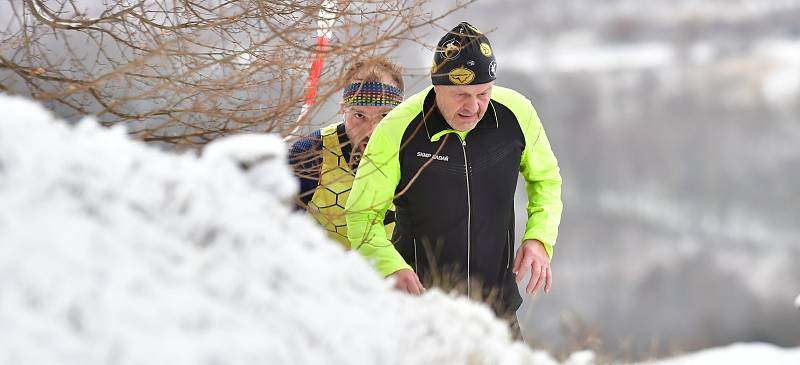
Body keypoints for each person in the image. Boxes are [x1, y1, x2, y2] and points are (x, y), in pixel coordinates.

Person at [345, 22, 563, 318]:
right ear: (437, 87)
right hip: (421, 310)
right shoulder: (397, 129)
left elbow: (546, 180)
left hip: (497, 310)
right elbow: (361, 214)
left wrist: (539, 238)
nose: (473, 107)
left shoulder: (517, 113)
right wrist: (390, 267)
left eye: (483, 93)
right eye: (461, 95)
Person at [289, 57, 405, 248]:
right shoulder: (311, 152)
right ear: (343, 109)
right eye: (359, 115)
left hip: (395, 274)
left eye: (385, 116)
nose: (372, 130)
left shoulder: (417, 152)